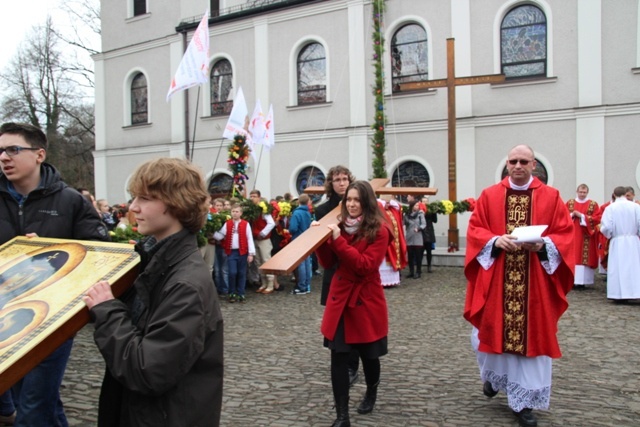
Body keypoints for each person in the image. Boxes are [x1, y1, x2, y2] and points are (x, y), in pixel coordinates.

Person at [82, 157, 224, 426]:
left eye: (145, 198)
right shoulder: (154, 261)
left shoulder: (186, 284)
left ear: (177, 204)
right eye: (134, 197)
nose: (133, 207)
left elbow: (147, 371)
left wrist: (108, 311)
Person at [0, 122, 110, 426]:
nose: (4, 157)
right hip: (6, 316)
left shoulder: (70, 200)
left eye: (13, 149)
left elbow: (99, 251)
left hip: (53, 317)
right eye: (0, 151)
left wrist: (54, 250)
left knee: (34, 406)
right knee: (34, 399)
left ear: (39, 154)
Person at [463, 144, 574, 427]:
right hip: (497, 279)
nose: (518, 165)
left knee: (532, 338)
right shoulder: (490, 195)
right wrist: (494, 241)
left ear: (533, 164)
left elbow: (565, 234)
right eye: (513, 161)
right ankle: (492, 378)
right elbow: (476, 230)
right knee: (488, 332)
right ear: (507, 164)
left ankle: (523, 402)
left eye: (524, 161)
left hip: (535, 282)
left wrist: (544, 244)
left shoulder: (551, 197)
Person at [315, 180, 393, 427]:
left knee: (370, 357)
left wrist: (337, 240)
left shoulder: (380, 230)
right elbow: (328, 263)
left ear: (366, 202)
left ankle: (371, 390)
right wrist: (320, 238)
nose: (351, 204)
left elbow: (364, 266)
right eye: (348, 199)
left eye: (357, 200)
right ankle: (342, 416)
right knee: (338, 358)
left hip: (365, 301)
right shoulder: (338, 225)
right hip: (340, 300)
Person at [314, 165, 360, 386]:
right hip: (334, 270)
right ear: (330, 184)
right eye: (337, 180)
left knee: (355, 319)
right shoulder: (323, 210)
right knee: (338, 322)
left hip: (356, 268)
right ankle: (341, 362)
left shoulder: (359, 205)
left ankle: (353, 364)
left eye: (344, 179)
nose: (341, 183)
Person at [599, 186, 640, 302]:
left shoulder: (611, 208)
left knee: (618, 267)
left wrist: (610, 235)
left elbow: (606, 227)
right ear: (625, 194)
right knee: (634, 267)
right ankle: (635, 292)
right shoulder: (635, 207)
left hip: (618, 241)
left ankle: (619, 294)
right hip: (633, 240)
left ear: (614, 194)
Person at [214, 203, 256, 303]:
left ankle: (241, 293)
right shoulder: (227, 224)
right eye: (233, 211)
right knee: (232, 273)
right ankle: (232, 292)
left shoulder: (246, 224)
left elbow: (249, 238)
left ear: (241, 213)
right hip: (231, 252)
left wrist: (251, 253)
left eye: (237, 212)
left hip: (242, 252)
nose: (235, 213)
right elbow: (221, 235)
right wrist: (212, 233)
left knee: (242, 273)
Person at [565, 184, 600, 289]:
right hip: (572, 234)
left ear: (587, 193)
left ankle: (582, 281)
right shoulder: (570, 203)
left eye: (584, 192)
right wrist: (572, 215)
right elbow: (563, 216)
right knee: (573, 255)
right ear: (577, 191)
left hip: (586, 235)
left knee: (583, 256)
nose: (582, 194)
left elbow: (597, 218)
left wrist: (582, 216)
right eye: (580, 192)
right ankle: (571, 280)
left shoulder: (593, 204)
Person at [249, 189, 276, 293]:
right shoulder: (251, 210)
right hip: (254, 238)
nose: (252, 198)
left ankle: (270, 284)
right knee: (258, 261)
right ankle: (263, 283)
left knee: (266, 260)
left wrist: (262, 233)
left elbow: (271, 223)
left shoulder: (263, 209)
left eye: (254, 196)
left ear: (259, 197)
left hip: (263, 239)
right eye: (251, 196)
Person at [377, 195, 407, 288]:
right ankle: (381, 281)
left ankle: (392, 280)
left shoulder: (393, 208)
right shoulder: (377, 206)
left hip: (394, 241)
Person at [289, 193, 313, 294]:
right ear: (308, 202)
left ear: (299, 201)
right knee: (307, 262)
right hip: (307, 239)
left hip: (298, 239)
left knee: (301, 264)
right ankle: (307, 285)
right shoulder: (308, 213)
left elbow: (293, 228)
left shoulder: (296, 213)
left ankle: (301, 286)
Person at [403, 200, 426, 279]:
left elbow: (423, 224)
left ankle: (418, 271)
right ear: (412, 206)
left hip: (417, 237)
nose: (417, 207)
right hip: (409, 237)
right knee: (410, 256)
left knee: (418, 256)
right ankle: (411, 271)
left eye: (418, 205)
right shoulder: (407, 214)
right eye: (415, 205)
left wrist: (419, 229)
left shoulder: (420, 214)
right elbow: (404, 223)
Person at [421, 195, 438, 273]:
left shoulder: (431, 210)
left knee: (429, 250)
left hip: (429, 231)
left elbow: (435, 220)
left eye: (426, 201)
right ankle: (419, 266)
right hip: (421, 232)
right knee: (420, 251)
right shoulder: (419, 210)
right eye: (423, 201)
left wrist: (434, 212)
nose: (425, 203)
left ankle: (429, 266)